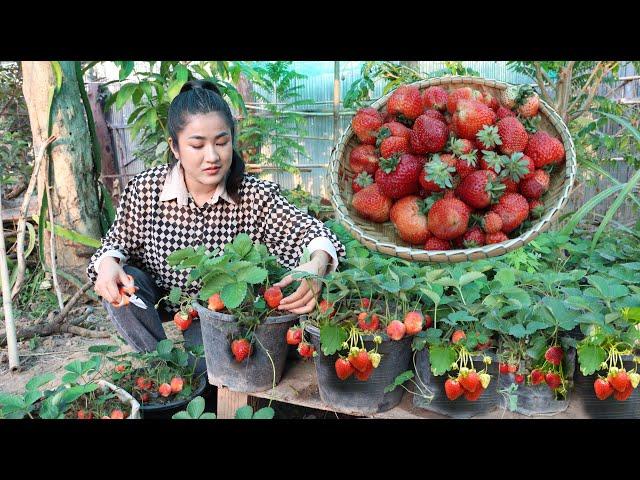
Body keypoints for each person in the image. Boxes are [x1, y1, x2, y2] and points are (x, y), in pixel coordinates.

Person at [87, 79, 346, 360]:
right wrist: (107, 264)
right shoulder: (147, 189)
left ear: (232, 140)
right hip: (165, 297)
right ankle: (158, 361)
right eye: (197, 145)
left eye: (221, 142)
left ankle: (198, 373)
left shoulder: (255, 196)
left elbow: (311, 232)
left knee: (208, 374)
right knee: (123, 288)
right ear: (175, 147)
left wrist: (318, 262)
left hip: (221, 311)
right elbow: (114, 243)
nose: (212, 156)